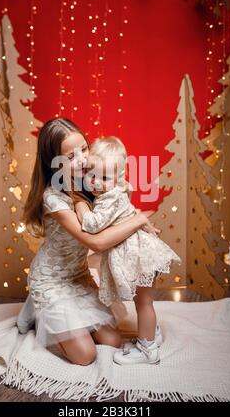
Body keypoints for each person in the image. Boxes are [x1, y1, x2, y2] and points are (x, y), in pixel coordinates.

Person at [17, 118, 158, 366]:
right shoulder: (54, 199)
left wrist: (135, 215)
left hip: (78, 276)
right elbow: (97, 243)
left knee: (112, 341)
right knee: (85, 356)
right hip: (52, 280)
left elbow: (119, 207)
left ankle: (62, 319)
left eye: (84, 148)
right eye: (70, 156)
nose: (82, 159)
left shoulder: (93, 180)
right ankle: (39, 311)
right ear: (55, 163)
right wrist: (139, 220)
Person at [75, 136, 182, 365]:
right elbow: (132, 211)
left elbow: (93, 225)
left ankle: (147, 350)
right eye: (92, 175)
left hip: (141, 258)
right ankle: (151, 333)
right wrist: (146, 224)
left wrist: (80, 206)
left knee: (143, 303)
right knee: (144, 302)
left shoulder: (107, 200)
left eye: (105, 178)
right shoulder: (119, 191)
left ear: (119, 178)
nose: (96, 183)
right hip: (143, 254)